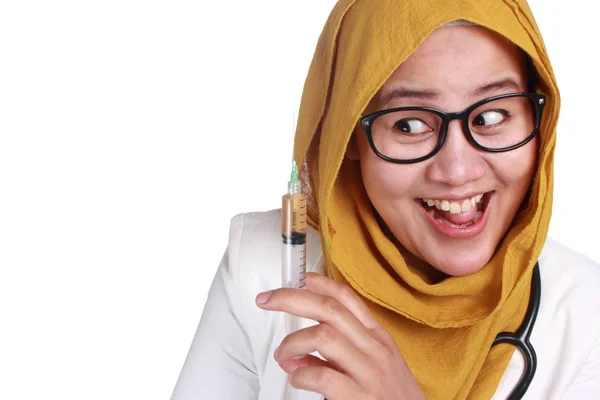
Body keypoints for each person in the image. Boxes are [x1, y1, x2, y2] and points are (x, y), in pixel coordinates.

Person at [171, 0, 600, 398]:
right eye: (409, 124)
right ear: (347, 136)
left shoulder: (584, 312)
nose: (457, 171)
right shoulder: (263, 270)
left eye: (490, 117)